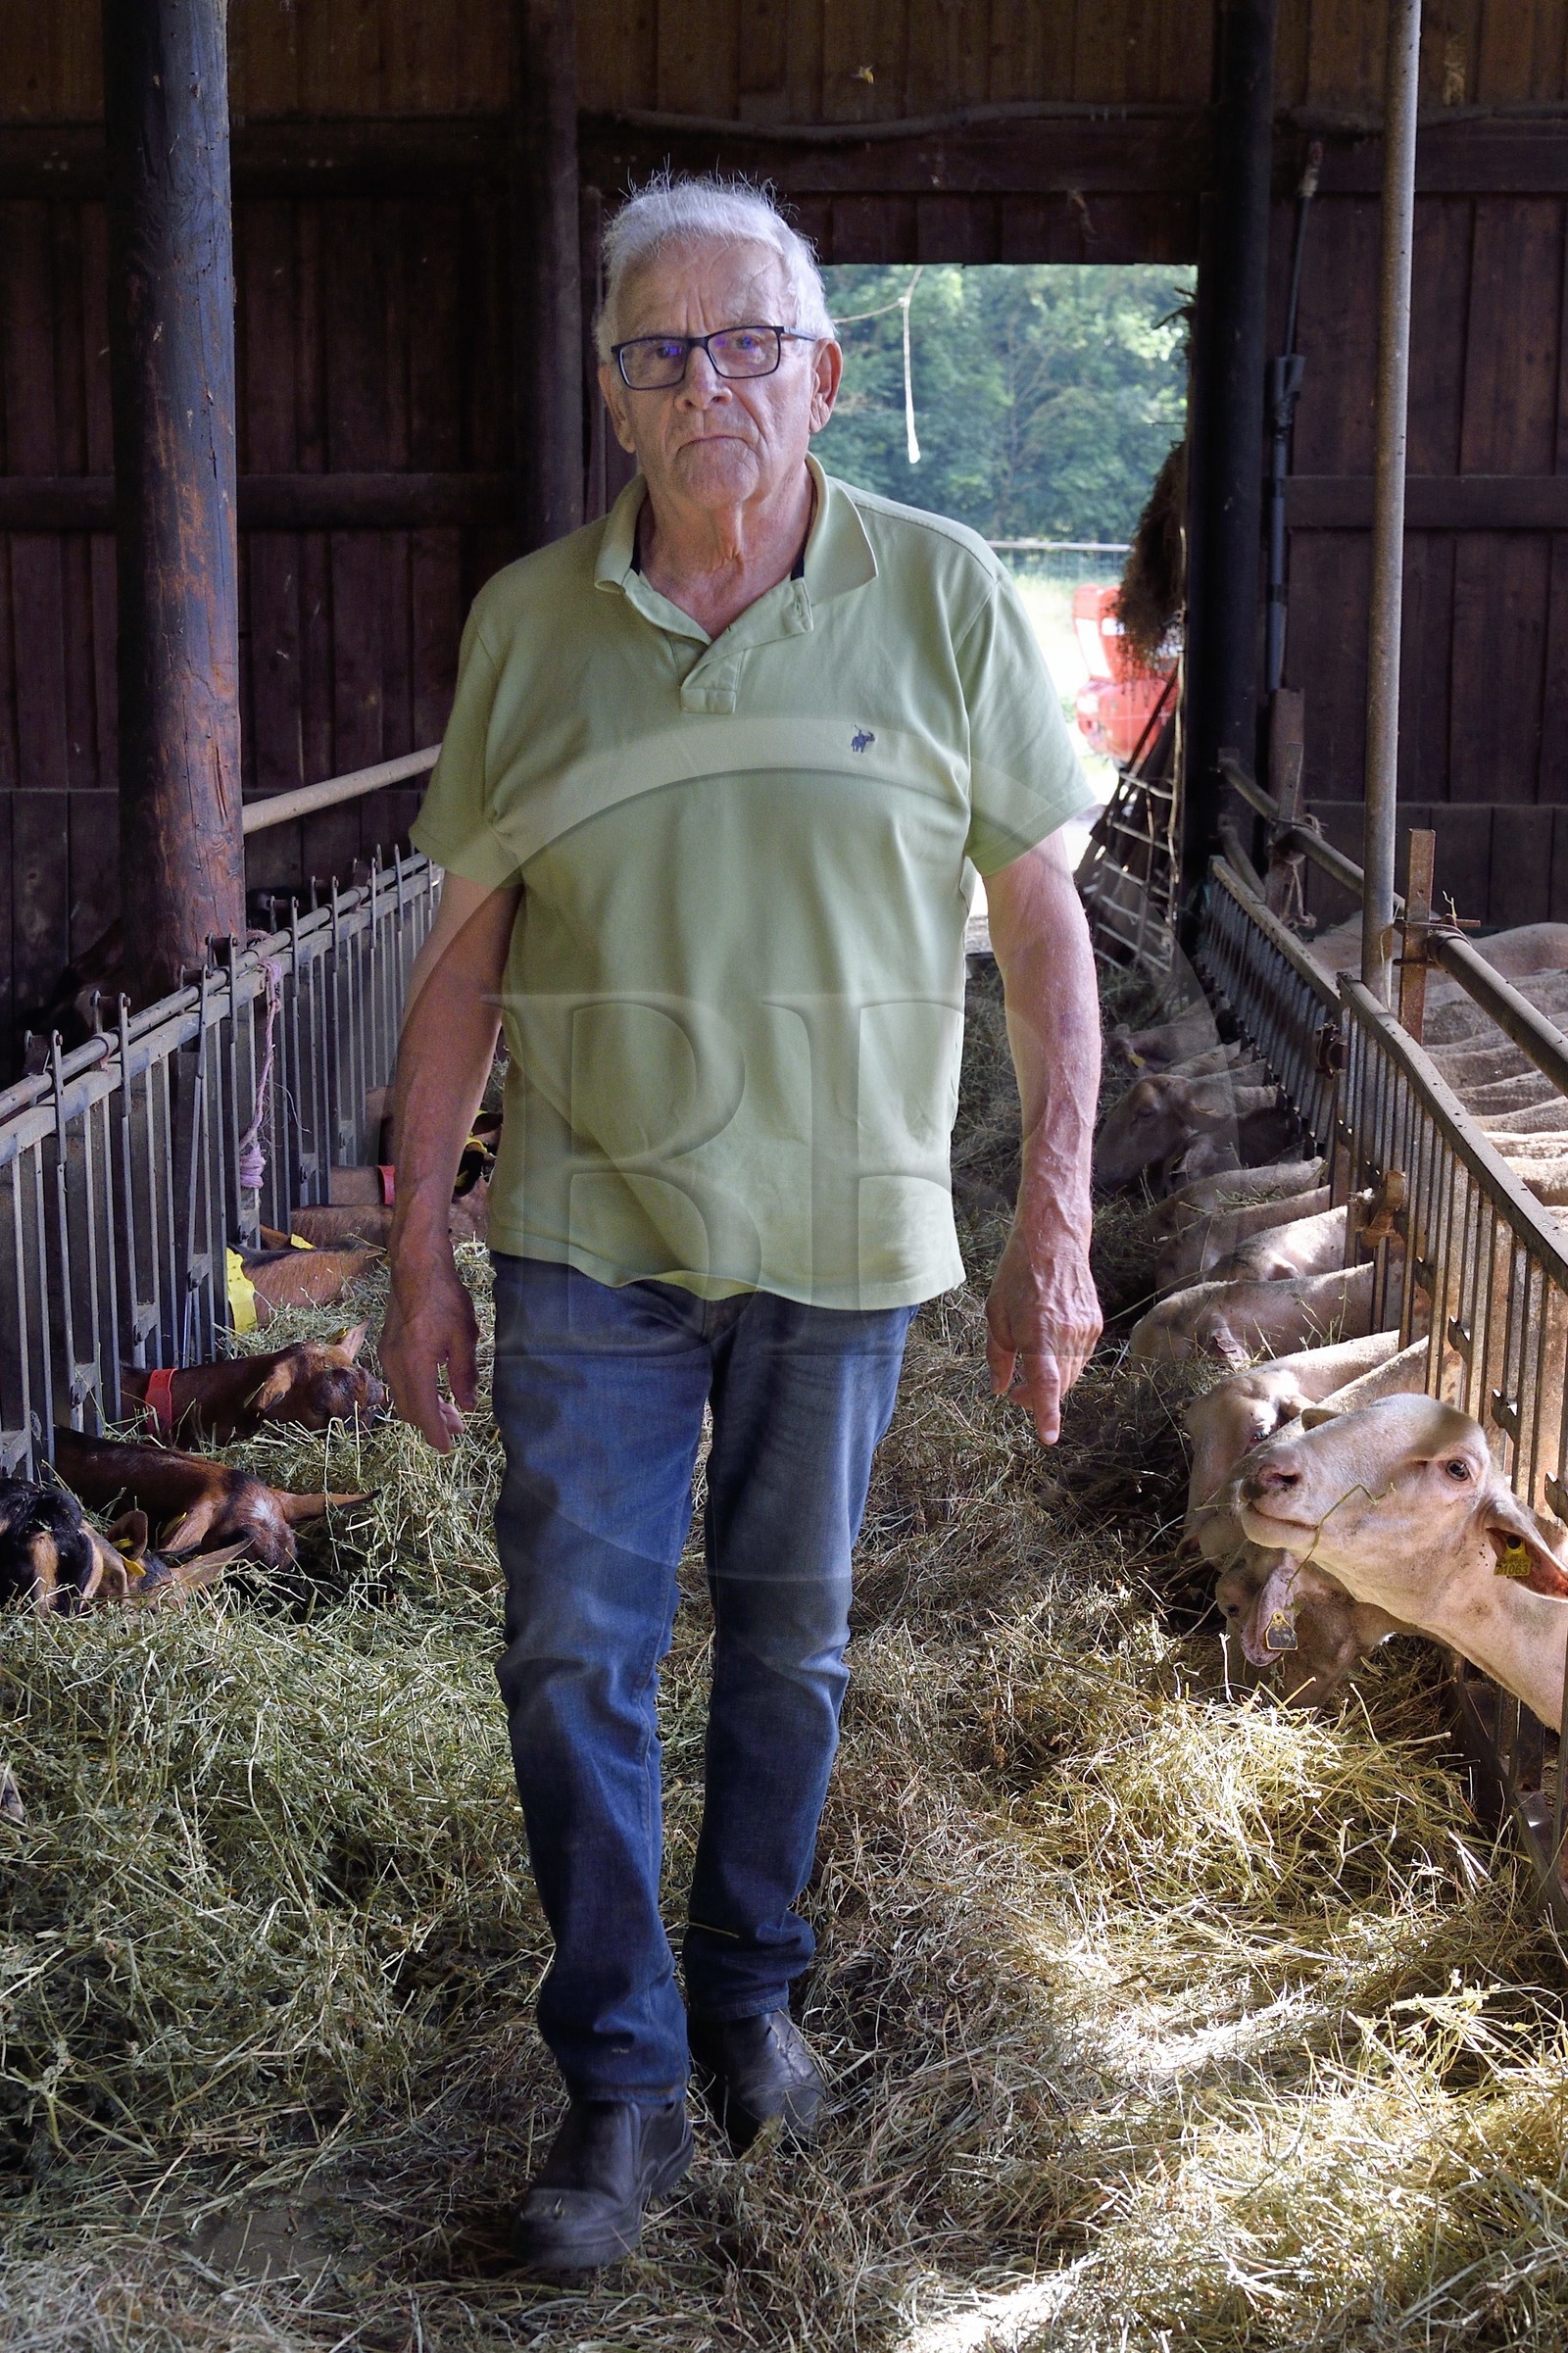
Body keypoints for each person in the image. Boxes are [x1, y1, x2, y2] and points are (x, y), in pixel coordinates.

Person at [381, 174, 1102, 2271]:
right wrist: (417, 1243)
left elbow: (1038, 925)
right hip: (589, 1223)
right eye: (660, 349)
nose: (709, 382)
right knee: (569, 1656)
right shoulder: (531, 625)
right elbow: (459, 958)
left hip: (848, 1229)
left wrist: (1049, 1219)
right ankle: (615, 2077)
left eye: (749, 342)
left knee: (784, 1642)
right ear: (611, 392)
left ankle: (746, 1995)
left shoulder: (946, 594)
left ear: (826, 371)